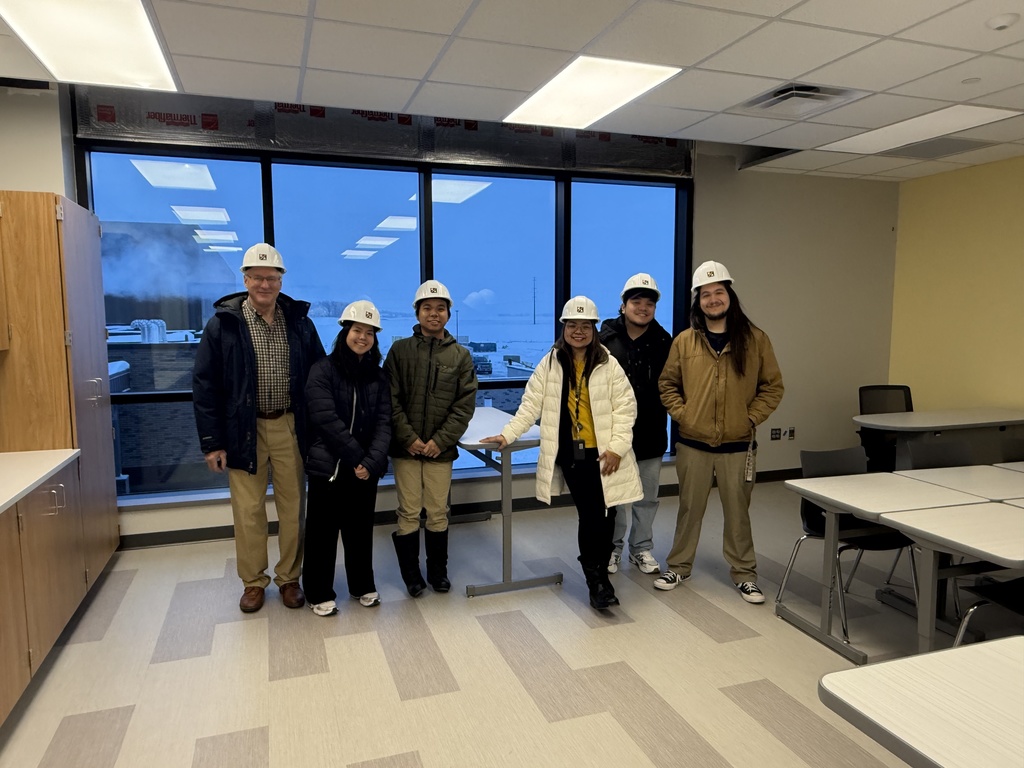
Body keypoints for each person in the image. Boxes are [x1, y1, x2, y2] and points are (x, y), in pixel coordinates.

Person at [481, 296, 642, 610]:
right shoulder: (550, 362)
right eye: (572, 325)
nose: (578, 331)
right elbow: (530, 405)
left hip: (606, 452)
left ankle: (599, 574)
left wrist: (617, 449)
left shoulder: (608, 363)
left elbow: (626, 408)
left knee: (609, 513)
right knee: (592, 514)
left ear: (594, 329)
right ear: (563, 328)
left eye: (585, 326)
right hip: (573, 454)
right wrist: (507, 434)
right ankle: (596, 581)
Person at [193, 243, 325, 613]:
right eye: (257, 277)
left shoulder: (300, 323)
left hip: (289, 425)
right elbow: (205, 386)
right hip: (242, 429)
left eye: (272, 278)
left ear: (281, 281)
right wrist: (212, 443)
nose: (265, 284)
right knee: (248, 508)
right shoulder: (223, 324)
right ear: (245, 279)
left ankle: (289, 578)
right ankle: (253, 582)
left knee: (293, 505)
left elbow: (318, 375)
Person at [655, 261, 783, 603]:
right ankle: (679, 567)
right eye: (706, 294)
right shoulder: (685, 341)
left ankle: (745, 574)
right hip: (693, 444)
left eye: (719, 293)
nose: (713, 300)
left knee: (738, 513)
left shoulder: (755, 340)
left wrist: (750, 418)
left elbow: (772, 387)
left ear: (730, 296)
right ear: (698, 301)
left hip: (738, 445)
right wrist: (685, 415)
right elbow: (667, 384)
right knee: (688, 508)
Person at [384, 280, 477, 596]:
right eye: (427, 308)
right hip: (405, 447)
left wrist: (441, 440)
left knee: (438, 511)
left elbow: (464, 405)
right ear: (417, 311)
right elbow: (390, 398)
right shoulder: (399, 351)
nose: (434, 314)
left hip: (441, 449)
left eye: (440, 308)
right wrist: (408, 437)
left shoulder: (461, 356)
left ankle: (438, 573)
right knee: (408, 511)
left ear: (449, 313)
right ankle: (412, 576)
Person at [302, 301, 392, 616]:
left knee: (359, 530)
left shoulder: (378, 377)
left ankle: (362, 585)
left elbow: (385, 423)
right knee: (321, 533)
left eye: (369, 333)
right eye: (357, 330)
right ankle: (317, 591)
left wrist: (371, 462)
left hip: (363, 469)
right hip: (328, 466)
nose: (362, 338)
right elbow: (325, 419)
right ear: (345, 332)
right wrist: (358, 457)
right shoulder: (322, 369)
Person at [599, 273, 672, 576]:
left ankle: (641, 549)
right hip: (614, 435)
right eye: (636, 302)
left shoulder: (665, 341)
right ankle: (612, 549)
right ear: (624, 304)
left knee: (647, 497)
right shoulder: (604, 339)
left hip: (651, 432)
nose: (643, 308)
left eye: (649, 303)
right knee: (614, 497)